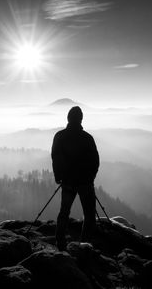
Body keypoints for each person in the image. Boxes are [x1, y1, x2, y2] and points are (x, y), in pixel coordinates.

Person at [51, 106, 100, 250]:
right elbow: (95, 161)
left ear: (68, 118)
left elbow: (56, 157)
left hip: (67, 181)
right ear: (81, 119)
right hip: (85, 182)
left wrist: (58, 176)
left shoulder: (60, 136)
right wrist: (91, 177)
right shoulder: (87, 138)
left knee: (64, 212)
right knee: (89, 214)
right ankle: (85, 245)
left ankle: (60, 244)